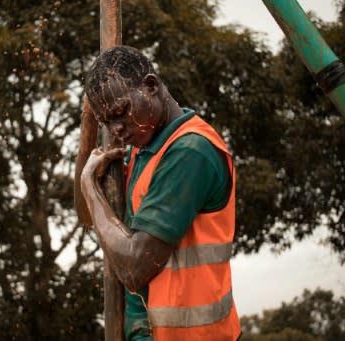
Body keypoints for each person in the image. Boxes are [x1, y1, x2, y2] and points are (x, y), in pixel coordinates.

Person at [80, 45, 241, 341]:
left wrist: (89, 186)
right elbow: (84, 213)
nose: (116, 129)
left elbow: (134, 269)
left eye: (121, 112)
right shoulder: (142, 151)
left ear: (151, 86)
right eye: (107, 122)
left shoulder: (190, 151)